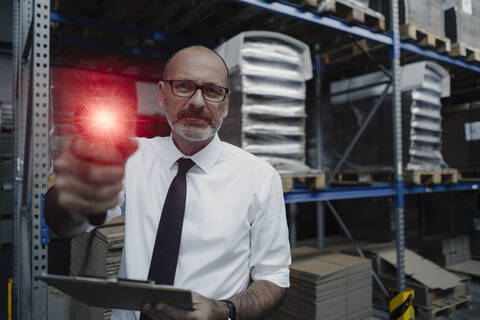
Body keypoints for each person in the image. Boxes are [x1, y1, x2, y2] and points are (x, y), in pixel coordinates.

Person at [45, 45, 291, 320]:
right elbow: (67, 225)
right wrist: (70, 199)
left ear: (226, 103)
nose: (197, 101)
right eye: (183, 86)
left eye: (211, 90)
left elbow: (273, 278)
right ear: (162, 94)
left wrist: (223, 311)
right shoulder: (131, 158)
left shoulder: (259, 177)